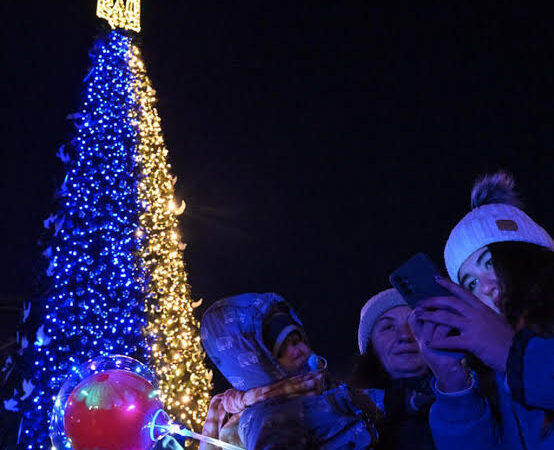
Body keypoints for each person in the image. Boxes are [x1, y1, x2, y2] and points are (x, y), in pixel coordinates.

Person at [409, 172, 554, 450]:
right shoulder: (496, 374)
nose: (484, 288)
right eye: (470, 282)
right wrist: (454, 386)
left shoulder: (511, 357)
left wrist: (516, 358)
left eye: (490, 263)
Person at [198, 292, 381, 449]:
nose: (299, 350)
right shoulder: (268, 417)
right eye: (282, 349)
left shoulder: (320, 386)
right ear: (260, 363)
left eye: (297, 340)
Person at [354, 288, 436, 449]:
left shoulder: (471, 393)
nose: (405, 335)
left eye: (416, 323)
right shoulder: (354, 419)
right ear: (371, 348)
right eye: (388, 327)